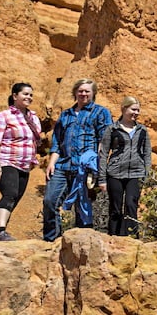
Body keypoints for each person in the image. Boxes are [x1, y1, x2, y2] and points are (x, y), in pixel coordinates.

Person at [41, 78, 112, 241]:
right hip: (62, 165)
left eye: (87, 91)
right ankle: (52, 241)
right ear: (75, 93)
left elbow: (105, 140)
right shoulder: (66, 114)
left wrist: (99, 166)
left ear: (93, 93)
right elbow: (57, 141)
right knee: (50, 201)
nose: (83, 94)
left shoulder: (101, 112)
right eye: (80, 91)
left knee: (83, 208)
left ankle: (81, 246)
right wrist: (51, 162)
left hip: (86, 168)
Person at [0, 82, 42, 242]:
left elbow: (34, 141)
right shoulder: (4, 116)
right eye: (25, 94)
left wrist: (33, 159)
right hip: (7, 161)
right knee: (10, 194)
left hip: (25, 166)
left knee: (14, 198)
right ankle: (1, 231)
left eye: (31, 95)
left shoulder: (33, 118)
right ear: (15, 96)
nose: (29, 97)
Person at [104, 96, 152, 236]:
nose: (136, 113)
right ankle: (113, 238)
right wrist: (101, 178)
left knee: (131, 205)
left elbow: (147, 153)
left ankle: (130, 238)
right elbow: (104, 153)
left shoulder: (142, 130)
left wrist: (146, 174)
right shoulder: (112, 129)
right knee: (115, 208)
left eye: (138, 110)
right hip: (115, 173)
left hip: (136, 174)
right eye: (133, 109)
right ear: (124, 109)